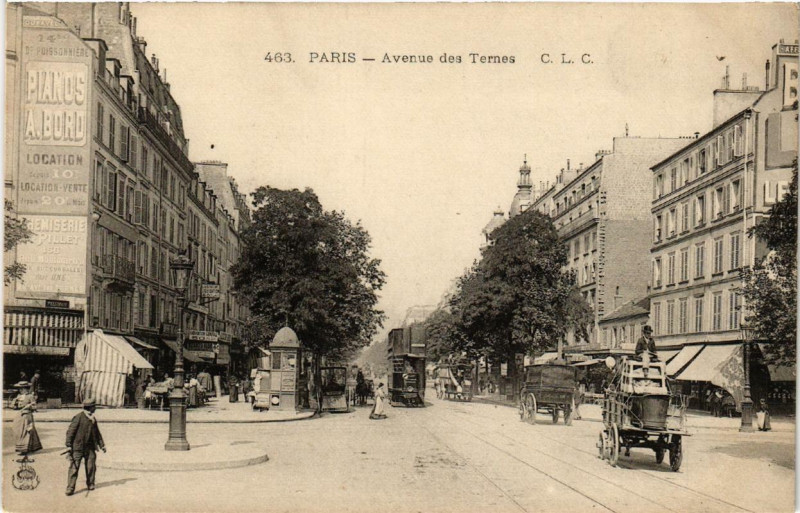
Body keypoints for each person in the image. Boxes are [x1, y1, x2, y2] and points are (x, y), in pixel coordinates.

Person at [65, 398, 106, 496]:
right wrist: (68, 445)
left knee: (91, 466)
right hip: (77, 448)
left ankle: (90, 483)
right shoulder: (78, 417)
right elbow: (70, 432)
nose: (95, 408)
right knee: (74, 468)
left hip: (90, 448)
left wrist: (102, 445)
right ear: (90, 407)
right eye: (94, 406)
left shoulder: (92, 418)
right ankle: (70, 488)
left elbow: (97, 433)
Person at [13, 392, 42, 456]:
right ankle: (32, 447)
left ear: (26, 388)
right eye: (20, 388)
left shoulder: (30, 396)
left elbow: (34, 407)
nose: (21, 390)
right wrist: (15, 402)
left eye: (23, 388)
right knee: (20, 430)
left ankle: (24, 449)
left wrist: (29, 406)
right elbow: (14, 407)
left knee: (27, 431)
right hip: (20, 416)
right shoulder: (19, 396)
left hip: (27, 416)